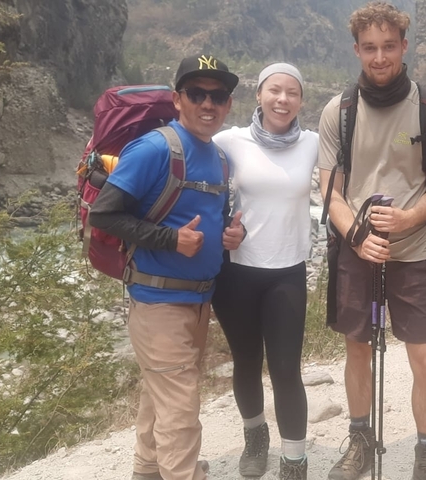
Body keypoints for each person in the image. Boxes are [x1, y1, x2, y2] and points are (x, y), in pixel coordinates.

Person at [89, 54, 245, 480]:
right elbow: (102, 215)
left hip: (197, 301)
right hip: (158, 300)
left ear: (229, 104)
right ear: (178, 99)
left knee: (159, 394)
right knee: (181, 408)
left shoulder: (219, 158)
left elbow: (211, 216)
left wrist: (233, 235)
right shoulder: (155, 148)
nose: (208, 104)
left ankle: (147, 469)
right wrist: (171, 239)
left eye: (218, 96)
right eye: (197, 94)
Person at [317, 2, 426, 480]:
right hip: (358, 252)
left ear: (404, 46)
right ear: (357, 50)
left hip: (415, 252)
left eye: (388, 47)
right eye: (370, 48)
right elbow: (330, 190)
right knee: (357, 347)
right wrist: (357, 236)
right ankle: (360, 441)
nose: (379, 58)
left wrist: (409, 218)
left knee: (424, 354)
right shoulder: (339, 110)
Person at [211, 63, 318, 480]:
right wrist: (219, 230)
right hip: (236, 271)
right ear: (259, 95)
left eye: (292, 92)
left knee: (287, 368)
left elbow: (363, 160)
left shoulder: (311, 144)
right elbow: (197, 187)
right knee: (246, 360)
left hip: (287, 270)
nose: (282, 99)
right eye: (274, 90)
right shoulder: (228, 141)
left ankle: (295, 460)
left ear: (301, 101)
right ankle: (255, 437)